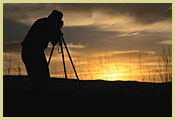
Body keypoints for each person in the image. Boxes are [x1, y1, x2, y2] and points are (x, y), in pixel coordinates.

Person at [21, 10, 64, 96]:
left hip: (27, 51)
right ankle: (41, 99)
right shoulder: (49, 25)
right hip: (34, 53)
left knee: (35, 78)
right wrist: (57, 28)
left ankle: (37, 97)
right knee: (43, 79)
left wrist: (55, 28)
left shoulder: (41, 21)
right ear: (56, 19)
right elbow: (54, 41)